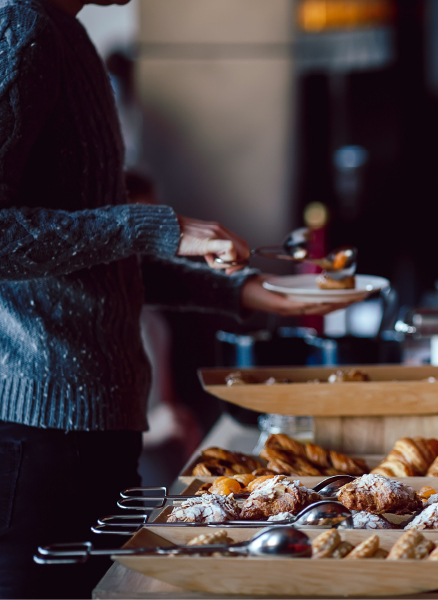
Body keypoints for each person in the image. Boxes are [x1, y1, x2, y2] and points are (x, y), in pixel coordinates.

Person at [0, 0, 347, 596]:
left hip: (97, 427)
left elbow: (93, 262)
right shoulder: (20, 27)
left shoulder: (65, 34)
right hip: (39, 437)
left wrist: (247, 292)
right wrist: (157, 227)